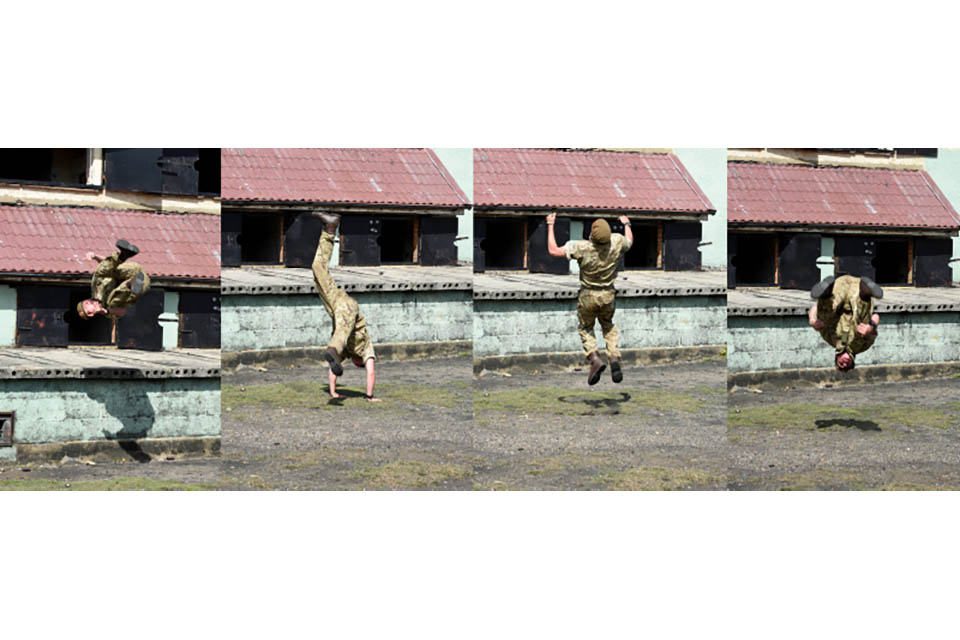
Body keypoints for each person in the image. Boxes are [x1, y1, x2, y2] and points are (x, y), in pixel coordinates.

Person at [546, 213, 633, 385]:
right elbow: (629, 241)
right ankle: (614, 357)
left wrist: (550, 224)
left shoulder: (581, 247)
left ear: (592, 235)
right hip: (608, 294)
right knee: (608, 326)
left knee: (586, 327)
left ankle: (594, 358)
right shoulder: (616, 242)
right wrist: (627, 223)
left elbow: (553, 250)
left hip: (588, 295)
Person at [309, 212, 380, 402]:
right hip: (348, 307)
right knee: (341, 331)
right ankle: (332, 348)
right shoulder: (366, 350)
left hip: (337, 301)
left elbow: (334, 369)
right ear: (360, 363)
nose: (358, 362)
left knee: (317, 268)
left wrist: (333, 392)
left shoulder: (345, 353)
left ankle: (329, 229)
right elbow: (371, 373)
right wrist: (369, 396)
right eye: (359, 363)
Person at [807, 274, 882, 372]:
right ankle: (866, 290)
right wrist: (870, 328)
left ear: (836, 358)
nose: (845, 363)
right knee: (862, 325)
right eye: (848, 365)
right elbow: (876, 316)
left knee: (824, 318)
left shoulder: (830, 339)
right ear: (853, 361)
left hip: (838, 292)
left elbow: (815, 308)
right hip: (857, 293)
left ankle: (825, 292)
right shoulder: (863, 346)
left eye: (841, 363)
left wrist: (812, 321)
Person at [77, 240, 150, 319]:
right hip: (142, 284)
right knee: (112, 303)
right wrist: (107, 311)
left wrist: (95, 256)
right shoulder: (107, 312)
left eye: (86, 303)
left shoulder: (96, 287)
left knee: (99, 274)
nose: (88, 303)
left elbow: (105, 268)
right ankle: (132, 284)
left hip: (130, 270)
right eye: (89, 313)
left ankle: (123, 255)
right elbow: (123, 311)